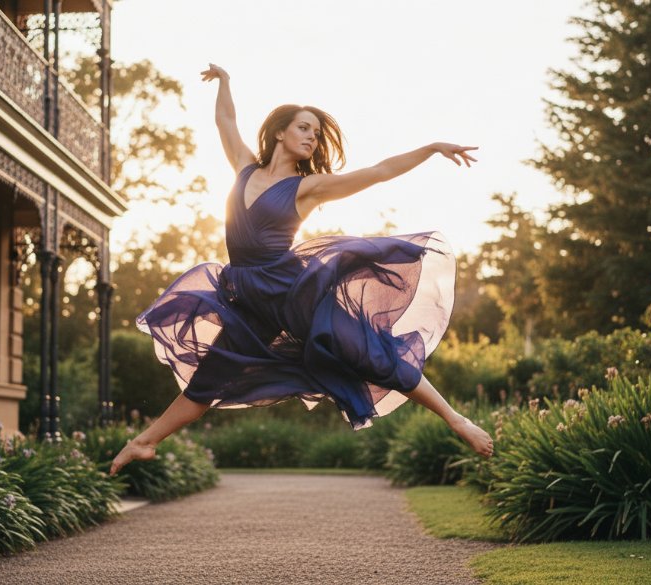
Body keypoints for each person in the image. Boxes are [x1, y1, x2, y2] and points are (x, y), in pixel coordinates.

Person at [110, 64, 493, 475]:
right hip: (246, 297)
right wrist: (225, 82)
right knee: (211, 376)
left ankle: (457, 420)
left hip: (291, 291)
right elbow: (226, 121)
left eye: (316, 133)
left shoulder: (309, 186)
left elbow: (379, 172)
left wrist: (431, 147)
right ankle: (144, 442)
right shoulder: (243, 167)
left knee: (370, 355)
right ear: (280, 132)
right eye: (304, 128)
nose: (312, 137)